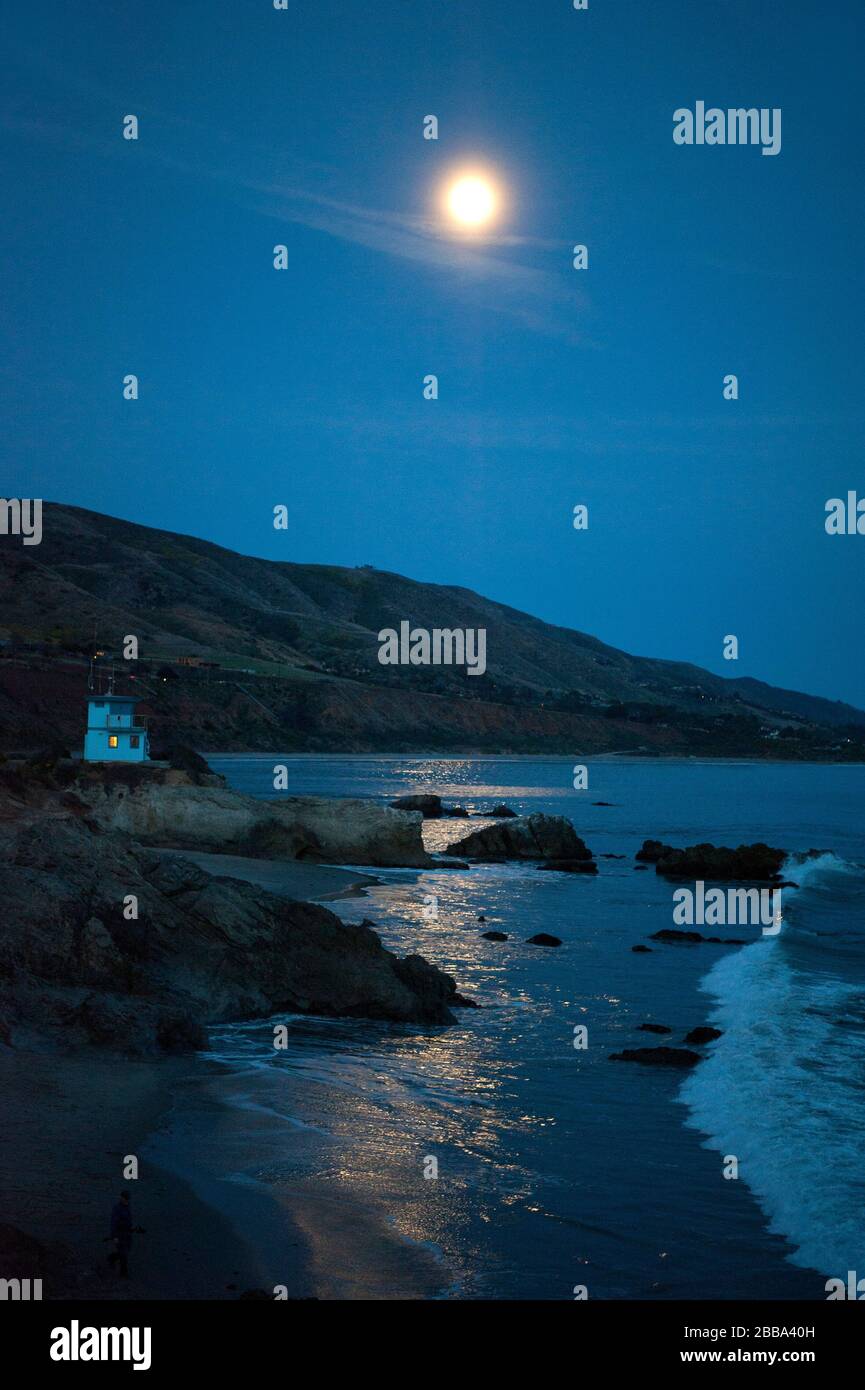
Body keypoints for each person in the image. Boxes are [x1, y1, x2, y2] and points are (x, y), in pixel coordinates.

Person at [108, 1191, 135, 1278]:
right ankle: (124, 1273)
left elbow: (129, 1221)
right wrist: (114, 1236)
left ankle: (112, 1258)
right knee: (123, 1254)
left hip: (127, 1234)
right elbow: (113, 1223)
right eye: (125, 1198)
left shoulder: (127, 1207)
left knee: (124, 1252)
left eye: (127, 1199)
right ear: (121, 1198)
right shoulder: (117, 1208)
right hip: (119, 1234)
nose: (126, 1200)